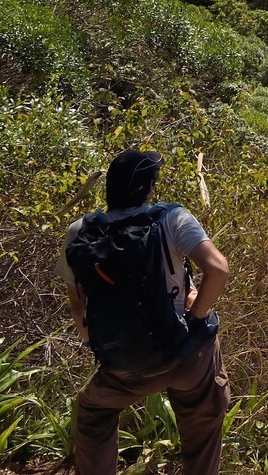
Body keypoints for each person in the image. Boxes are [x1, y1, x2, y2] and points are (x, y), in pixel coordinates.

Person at [60, 149, 231, 475]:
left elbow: (77, 305)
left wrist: (101, 346)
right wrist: (196, 320)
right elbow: (218, 269)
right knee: (203, 413)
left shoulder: (80, 232)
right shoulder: (172, 218)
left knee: (93, 411)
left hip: (122, 366)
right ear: (149, 187)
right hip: (184, 356)